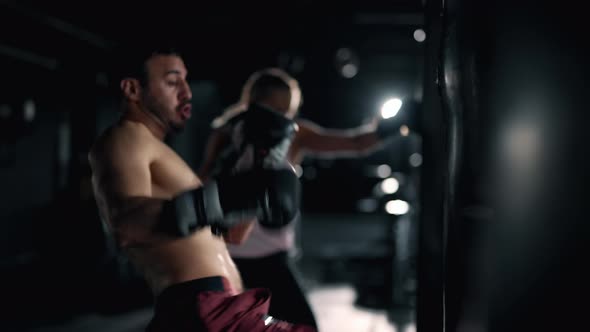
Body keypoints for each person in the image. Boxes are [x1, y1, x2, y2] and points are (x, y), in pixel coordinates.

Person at [88, 47, 316, 332]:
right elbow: (126, 224)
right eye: (173, 82)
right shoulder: (125, 138)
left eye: (186, 81)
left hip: (221, 307)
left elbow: (232, 234)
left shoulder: (164, 155)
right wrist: (228, 196)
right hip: (202, 307)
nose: (187, 92)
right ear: (133, 89)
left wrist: (261, 174)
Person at [199, 68, 410, 328]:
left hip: (232, 256)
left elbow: (202, 185)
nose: (283, 116)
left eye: (286, 110)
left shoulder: (240, 131)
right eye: (279, 108)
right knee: (302, 327)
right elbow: (356, 143)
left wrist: (391, 127)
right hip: (256, 258)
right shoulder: (241, 133)